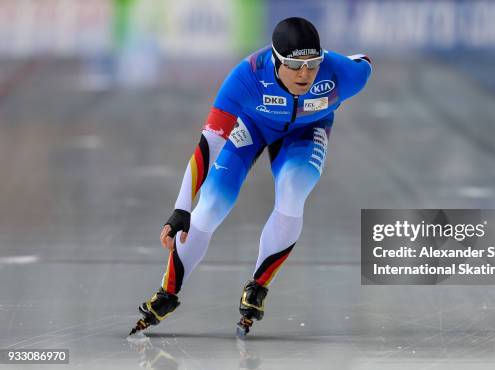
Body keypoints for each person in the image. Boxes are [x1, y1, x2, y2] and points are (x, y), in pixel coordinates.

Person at [130, 17, 371, 337]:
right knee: (212, 203)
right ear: (275, 60)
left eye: (313, 64)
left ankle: (258, 286)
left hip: (308, 131)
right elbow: (208, 145)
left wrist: (335, 60)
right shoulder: (245, 78)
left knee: (293, 192)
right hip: (252, 127)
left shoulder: (343, 74)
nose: (305, 74)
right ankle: (168, 293)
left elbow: (363, 61)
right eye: (295, 65)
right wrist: (181, 208)